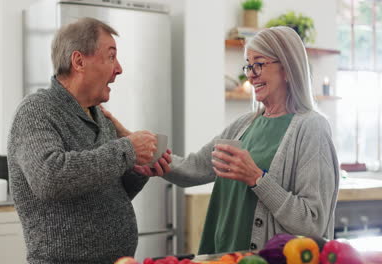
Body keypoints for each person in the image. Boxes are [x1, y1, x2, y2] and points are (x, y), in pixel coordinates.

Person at [103, 26, 340, 253]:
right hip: (224, 256)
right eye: (248, 67)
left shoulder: (312, 128)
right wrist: (129, 139)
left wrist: (256, 178)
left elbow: (312, 223)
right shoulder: (245, 124)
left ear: (287, 69)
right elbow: (194, 167)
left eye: (258, 65)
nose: (251, 76)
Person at [7, 18, 168, 263]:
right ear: (79, 61)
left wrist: (136, 171)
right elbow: (50, 179)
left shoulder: (99, 116)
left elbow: (104, 194)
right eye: (111, 56)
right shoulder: (36, 111)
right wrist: (127, 149)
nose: (120, 69)